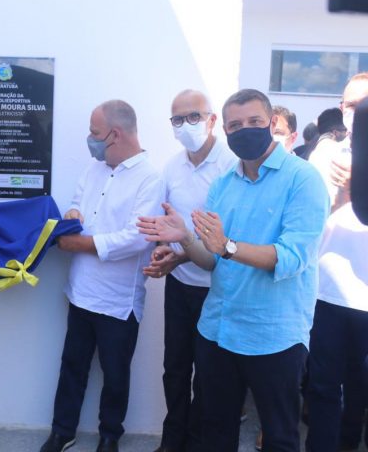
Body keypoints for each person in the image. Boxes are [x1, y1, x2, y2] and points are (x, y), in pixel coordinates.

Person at [137, 89, 329, 452]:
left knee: (279, 437)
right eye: (236, 125)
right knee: (214, 433)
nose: (245, 130)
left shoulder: (302, 179)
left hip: (273, 335)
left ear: (272, 123)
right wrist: (185, 238)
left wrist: (227, 246)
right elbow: (212, 260)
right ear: (224, 130)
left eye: (254, 121)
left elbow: (292, 257)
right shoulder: (223, 185)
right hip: (218, 331)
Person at [39, 100, 164, 452]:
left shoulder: (151, 179)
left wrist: (79, 243)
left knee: (116, 374)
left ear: (115, 134)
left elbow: (137, 238)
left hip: (118, 299)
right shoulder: (94, 168)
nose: (90, 139)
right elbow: (77, 203)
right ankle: (63, 430)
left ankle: (110, 435)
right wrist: (73, 212)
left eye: (95, 133)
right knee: (72, 366)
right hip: (81, 290)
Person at [146, 90, 236, 452]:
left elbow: (225, 238)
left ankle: (197, 443)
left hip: (217, 288)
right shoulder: (172, 166)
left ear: (212, 120)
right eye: (178, 119)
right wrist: (162, 249)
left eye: (194, 117)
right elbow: (166, 221)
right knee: (175, 367)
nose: (186, 125)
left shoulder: (231, 166)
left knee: (209, 374)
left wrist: (180, 253)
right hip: (180, 285)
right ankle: (173, 440)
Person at [306, 72, 368, 452]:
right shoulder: (325, 155)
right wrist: (342, 196)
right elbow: (306, 222)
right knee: (323, 386)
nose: (355, 111)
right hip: (327, 293)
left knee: (361, 390)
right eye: (349, 104)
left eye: (363, 104)